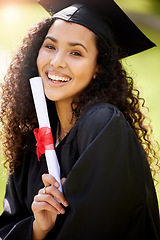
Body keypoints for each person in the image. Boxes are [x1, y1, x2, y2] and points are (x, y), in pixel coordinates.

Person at [0, 0, 160, 239]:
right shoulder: (32, 139)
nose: (56, 62)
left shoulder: (103, 125)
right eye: (50, 47)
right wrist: (37, 228)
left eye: (76, 52)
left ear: (99, 68)